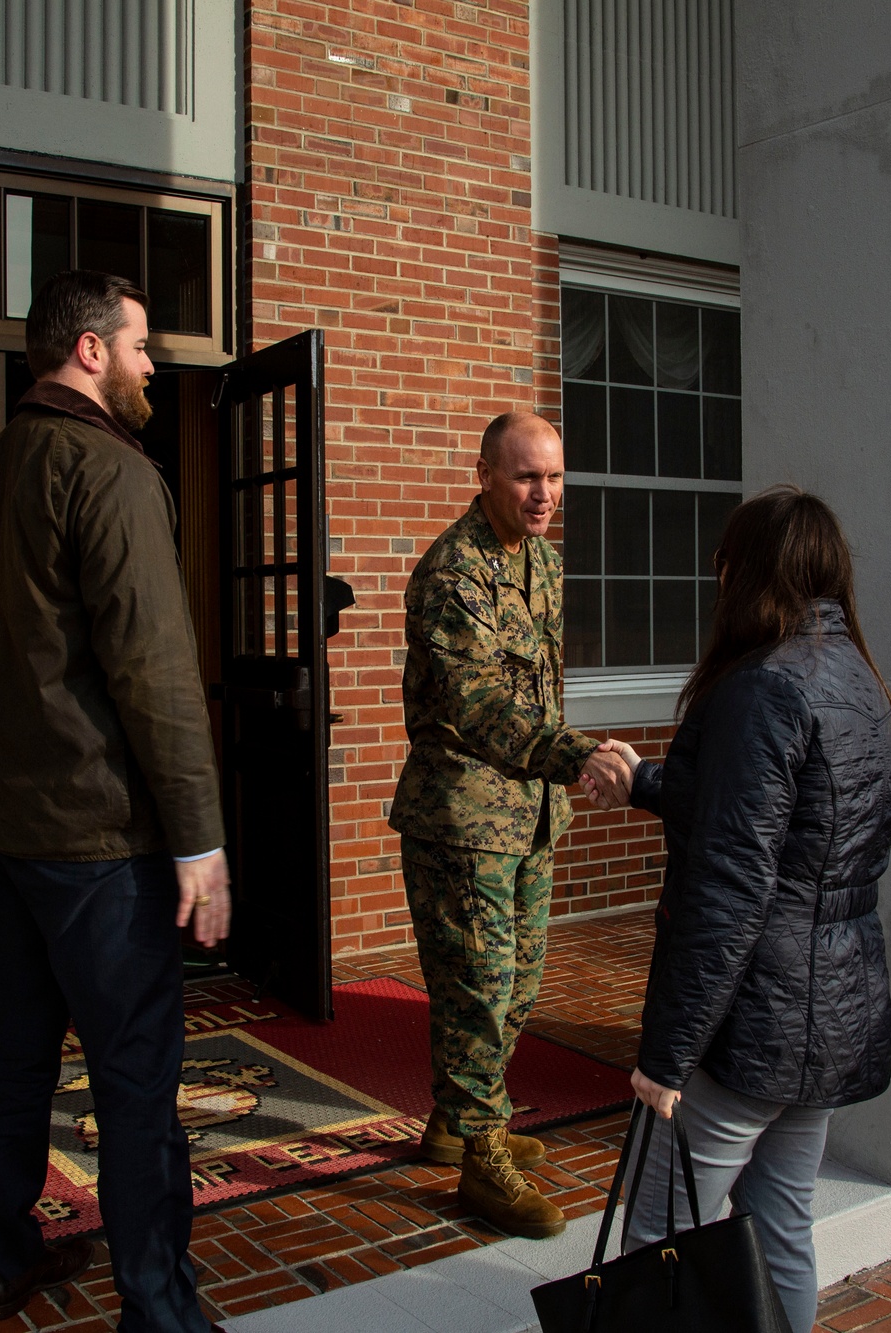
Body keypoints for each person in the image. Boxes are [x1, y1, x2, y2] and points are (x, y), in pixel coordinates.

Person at [0, 270, 231, 1330]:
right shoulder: (109, 470)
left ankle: (5, 1252)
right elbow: (156, 673)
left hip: (2, 830)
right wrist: (200, 840)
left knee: (16, 1050)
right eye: (144, 345)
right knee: (136, 1076)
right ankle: (160, 1309)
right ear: (88, 351)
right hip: (98, 844)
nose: (155, 364)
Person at [582, 485, 891, 1333]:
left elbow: (734, 883)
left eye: (722, 560)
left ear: (746, 570)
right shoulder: (857, 678)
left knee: (656, 1239)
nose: (714, 574)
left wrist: (666, 1055)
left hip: (755, 1020)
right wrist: (647, 782)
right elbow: (788, 833)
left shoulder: (762, 686)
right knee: (780, 1224)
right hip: (833, 1005)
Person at [390, 410, 633, 1239]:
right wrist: (577, 755)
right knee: (477, 989)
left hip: (528, 816)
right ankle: (480, 1159)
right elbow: (482, 707)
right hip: (461, 817)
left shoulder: (542, 561)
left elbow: (540, 688)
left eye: (555, 477)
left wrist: (561, 774)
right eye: (528, 476)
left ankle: (456, 1122)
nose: (544, 494)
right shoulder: (454, 573)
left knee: (520, 980)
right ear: (487, 475)